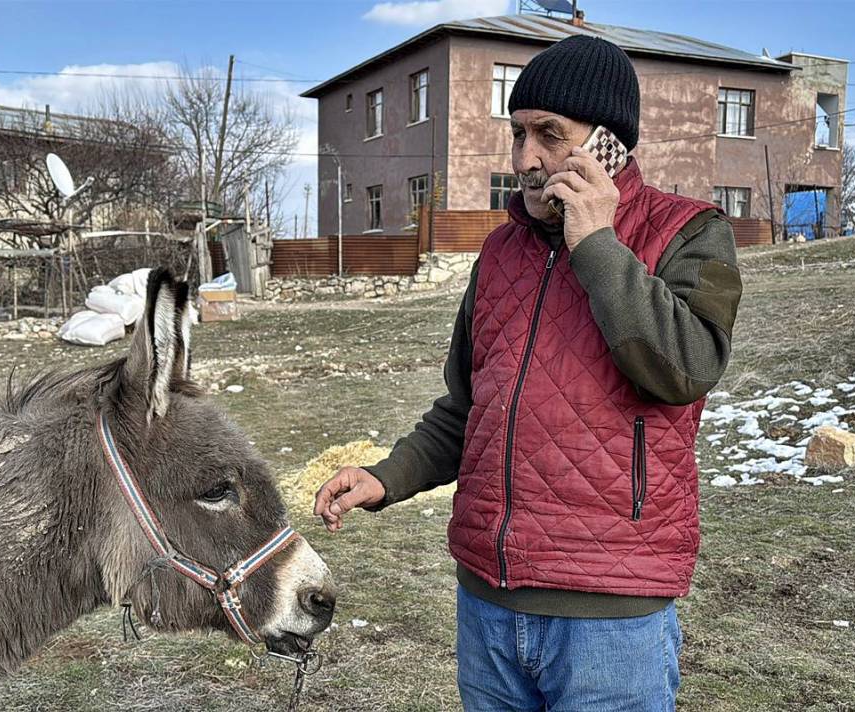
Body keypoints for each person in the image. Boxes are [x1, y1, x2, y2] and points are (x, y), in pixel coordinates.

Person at [314, 35, 743, 712]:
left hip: (612, 619)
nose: (526, 159)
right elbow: (469, 405)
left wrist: (597, 241)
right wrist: (386, 476)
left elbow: (686, 369)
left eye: (550, 134)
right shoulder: (500, 252)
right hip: (488, 607)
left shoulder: (689, 232)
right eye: (518, 133)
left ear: (610, 143)